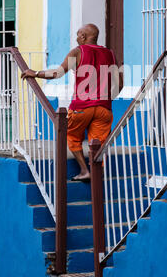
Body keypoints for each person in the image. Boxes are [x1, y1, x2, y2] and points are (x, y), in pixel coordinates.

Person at [21, 23, 123, 182]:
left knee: (71, 136)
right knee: (98, 144)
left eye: (77, 35)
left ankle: (84, 170)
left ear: (83, 36)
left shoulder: (78, 51)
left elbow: (57, 73)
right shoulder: (110, 53)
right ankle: (97, 175)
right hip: (104, 108)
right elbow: (120, 84)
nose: (76, 38)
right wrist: (107, 98)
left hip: (81, 107)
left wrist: (35, 73)